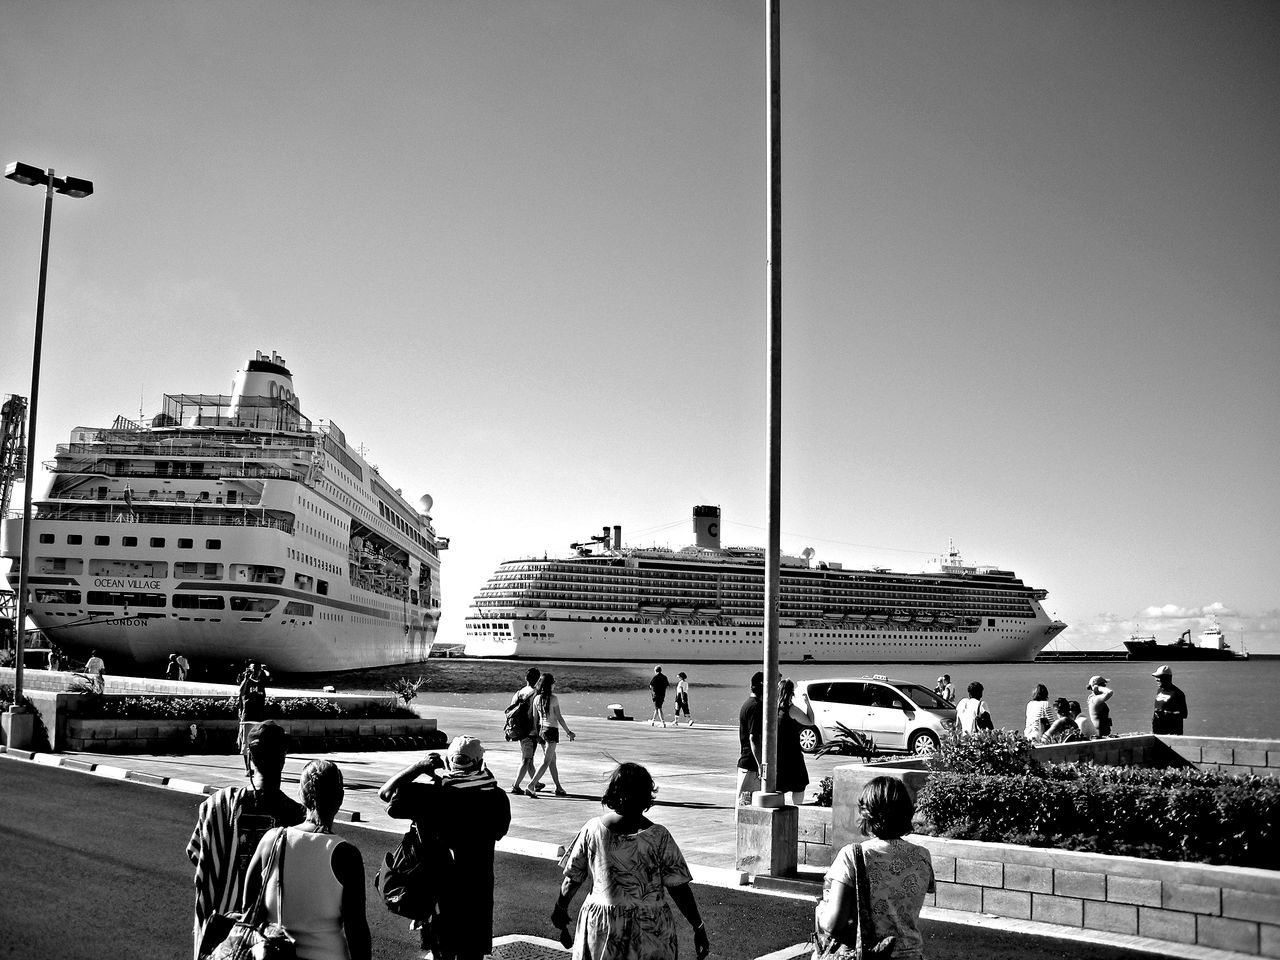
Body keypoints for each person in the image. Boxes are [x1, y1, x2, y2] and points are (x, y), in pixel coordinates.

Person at [552, 762, 710, 960]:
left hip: (602, 928)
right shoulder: (659, 837)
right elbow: (679, 889)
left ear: (614, 793)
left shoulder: (592, 830)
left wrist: (560, 908)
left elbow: (572, 879)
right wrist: (698, 926)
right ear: (646, 796)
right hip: (650, 929)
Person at [380, 736, 512, 960]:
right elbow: (499, 831)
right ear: (480, 763)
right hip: (477, 897)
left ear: (449, 764)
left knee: (442, 954)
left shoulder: (430, 795)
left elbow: (385, 793)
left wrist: (419, 767)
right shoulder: (497, 798)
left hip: (438, 896)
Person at [186, 721, 304, 960]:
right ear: (283, 759)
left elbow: (197, 854)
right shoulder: (297, 817)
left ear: (248, 760)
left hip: (220, 936)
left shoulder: (217, 806)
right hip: (271, 942)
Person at [242, 759, 371, 960]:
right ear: (340, 798)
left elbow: (249, 908)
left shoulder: (272, 841)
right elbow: (357, 930)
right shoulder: (346, 855)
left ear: (302, 796)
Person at [815, 776, 934, 960]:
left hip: (866, 955)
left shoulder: (853, 855)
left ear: (867, 813)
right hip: (911, 955)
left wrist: (821, 910)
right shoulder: (922, 856)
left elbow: (833, 925)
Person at [529, 672, 576, 796]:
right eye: (554, 682)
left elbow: (534, 719)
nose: (555, 684)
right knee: (546, 761)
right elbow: (559, 717)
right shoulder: (554, 698)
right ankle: (531, 785)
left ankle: (558, 787)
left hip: (542, 731)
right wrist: (568, 732)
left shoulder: (536, 698)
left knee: (552, 761)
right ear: (550, 684)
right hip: (552, 732)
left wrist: (537, 734)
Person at [776, 678, 815, 804]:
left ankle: (779, 810)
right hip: (792, 753)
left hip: (777, 753)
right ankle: (797, 809)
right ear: (791, 692)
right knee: (799, 786)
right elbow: (810, 721)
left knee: (778, 787)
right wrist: (807, 703)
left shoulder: (772, 709)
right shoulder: (791, 710)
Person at [508, 666, 541, 794]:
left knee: (529, 757)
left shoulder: (519, 692)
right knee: (527, 759)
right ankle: (516, 785)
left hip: (519, 729)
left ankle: (536, 782)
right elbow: (535, 714)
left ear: (525, 678)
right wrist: (536, 731)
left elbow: (511, 710)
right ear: (538, 679)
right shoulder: (535, 693)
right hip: (530, 730)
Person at [736, 671, 765, 808]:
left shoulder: (747, 704)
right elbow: (754, 737)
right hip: (752, 765)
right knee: (747, 805)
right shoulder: (756, 707)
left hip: (746, 761)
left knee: (744, 802)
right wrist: (760, 765)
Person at [238, 661, 269, 772]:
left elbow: (271, 677)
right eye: (253, 669)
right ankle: (247, 769)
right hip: (248, 717)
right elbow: (241, 692)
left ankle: (257, 767)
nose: (255, 672)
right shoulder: (246, 681)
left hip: (259, 717)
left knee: (259, 743)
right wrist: (246, 678)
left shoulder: (261, 681)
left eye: (257, 669)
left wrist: (264, 670)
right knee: (247, 744)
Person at [1151, 665, 1188, 735]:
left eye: (1159, 677)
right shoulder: (1159, 691)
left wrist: (1166, 713)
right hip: (1158, 733)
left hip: (1172, 734)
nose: (1156, 679)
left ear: (1166, 678)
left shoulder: (1177, 693)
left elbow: (1184, 714)